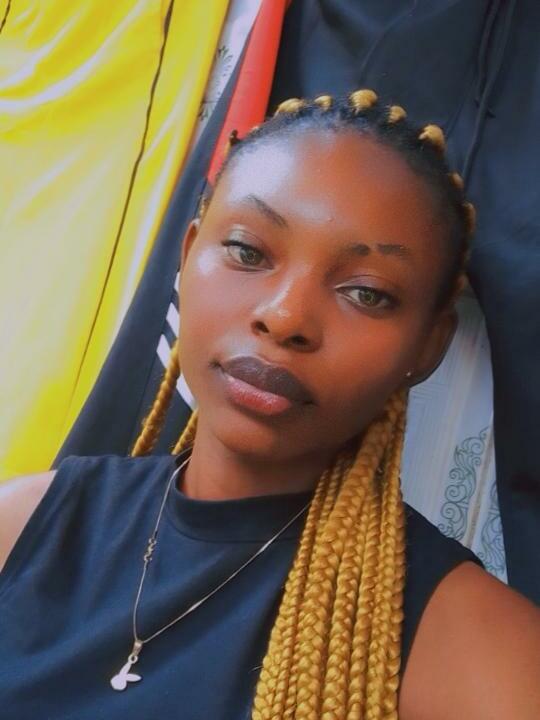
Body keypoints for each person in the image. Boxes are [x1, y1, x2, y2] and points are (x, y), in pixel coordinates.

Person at [0, 89, 539, 720]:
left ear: (428, 345)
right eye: (247, 252)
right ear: (187, 258)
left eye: (366, 293)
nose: (284, 318)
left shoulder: (476, 646)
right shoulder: (21, 526)